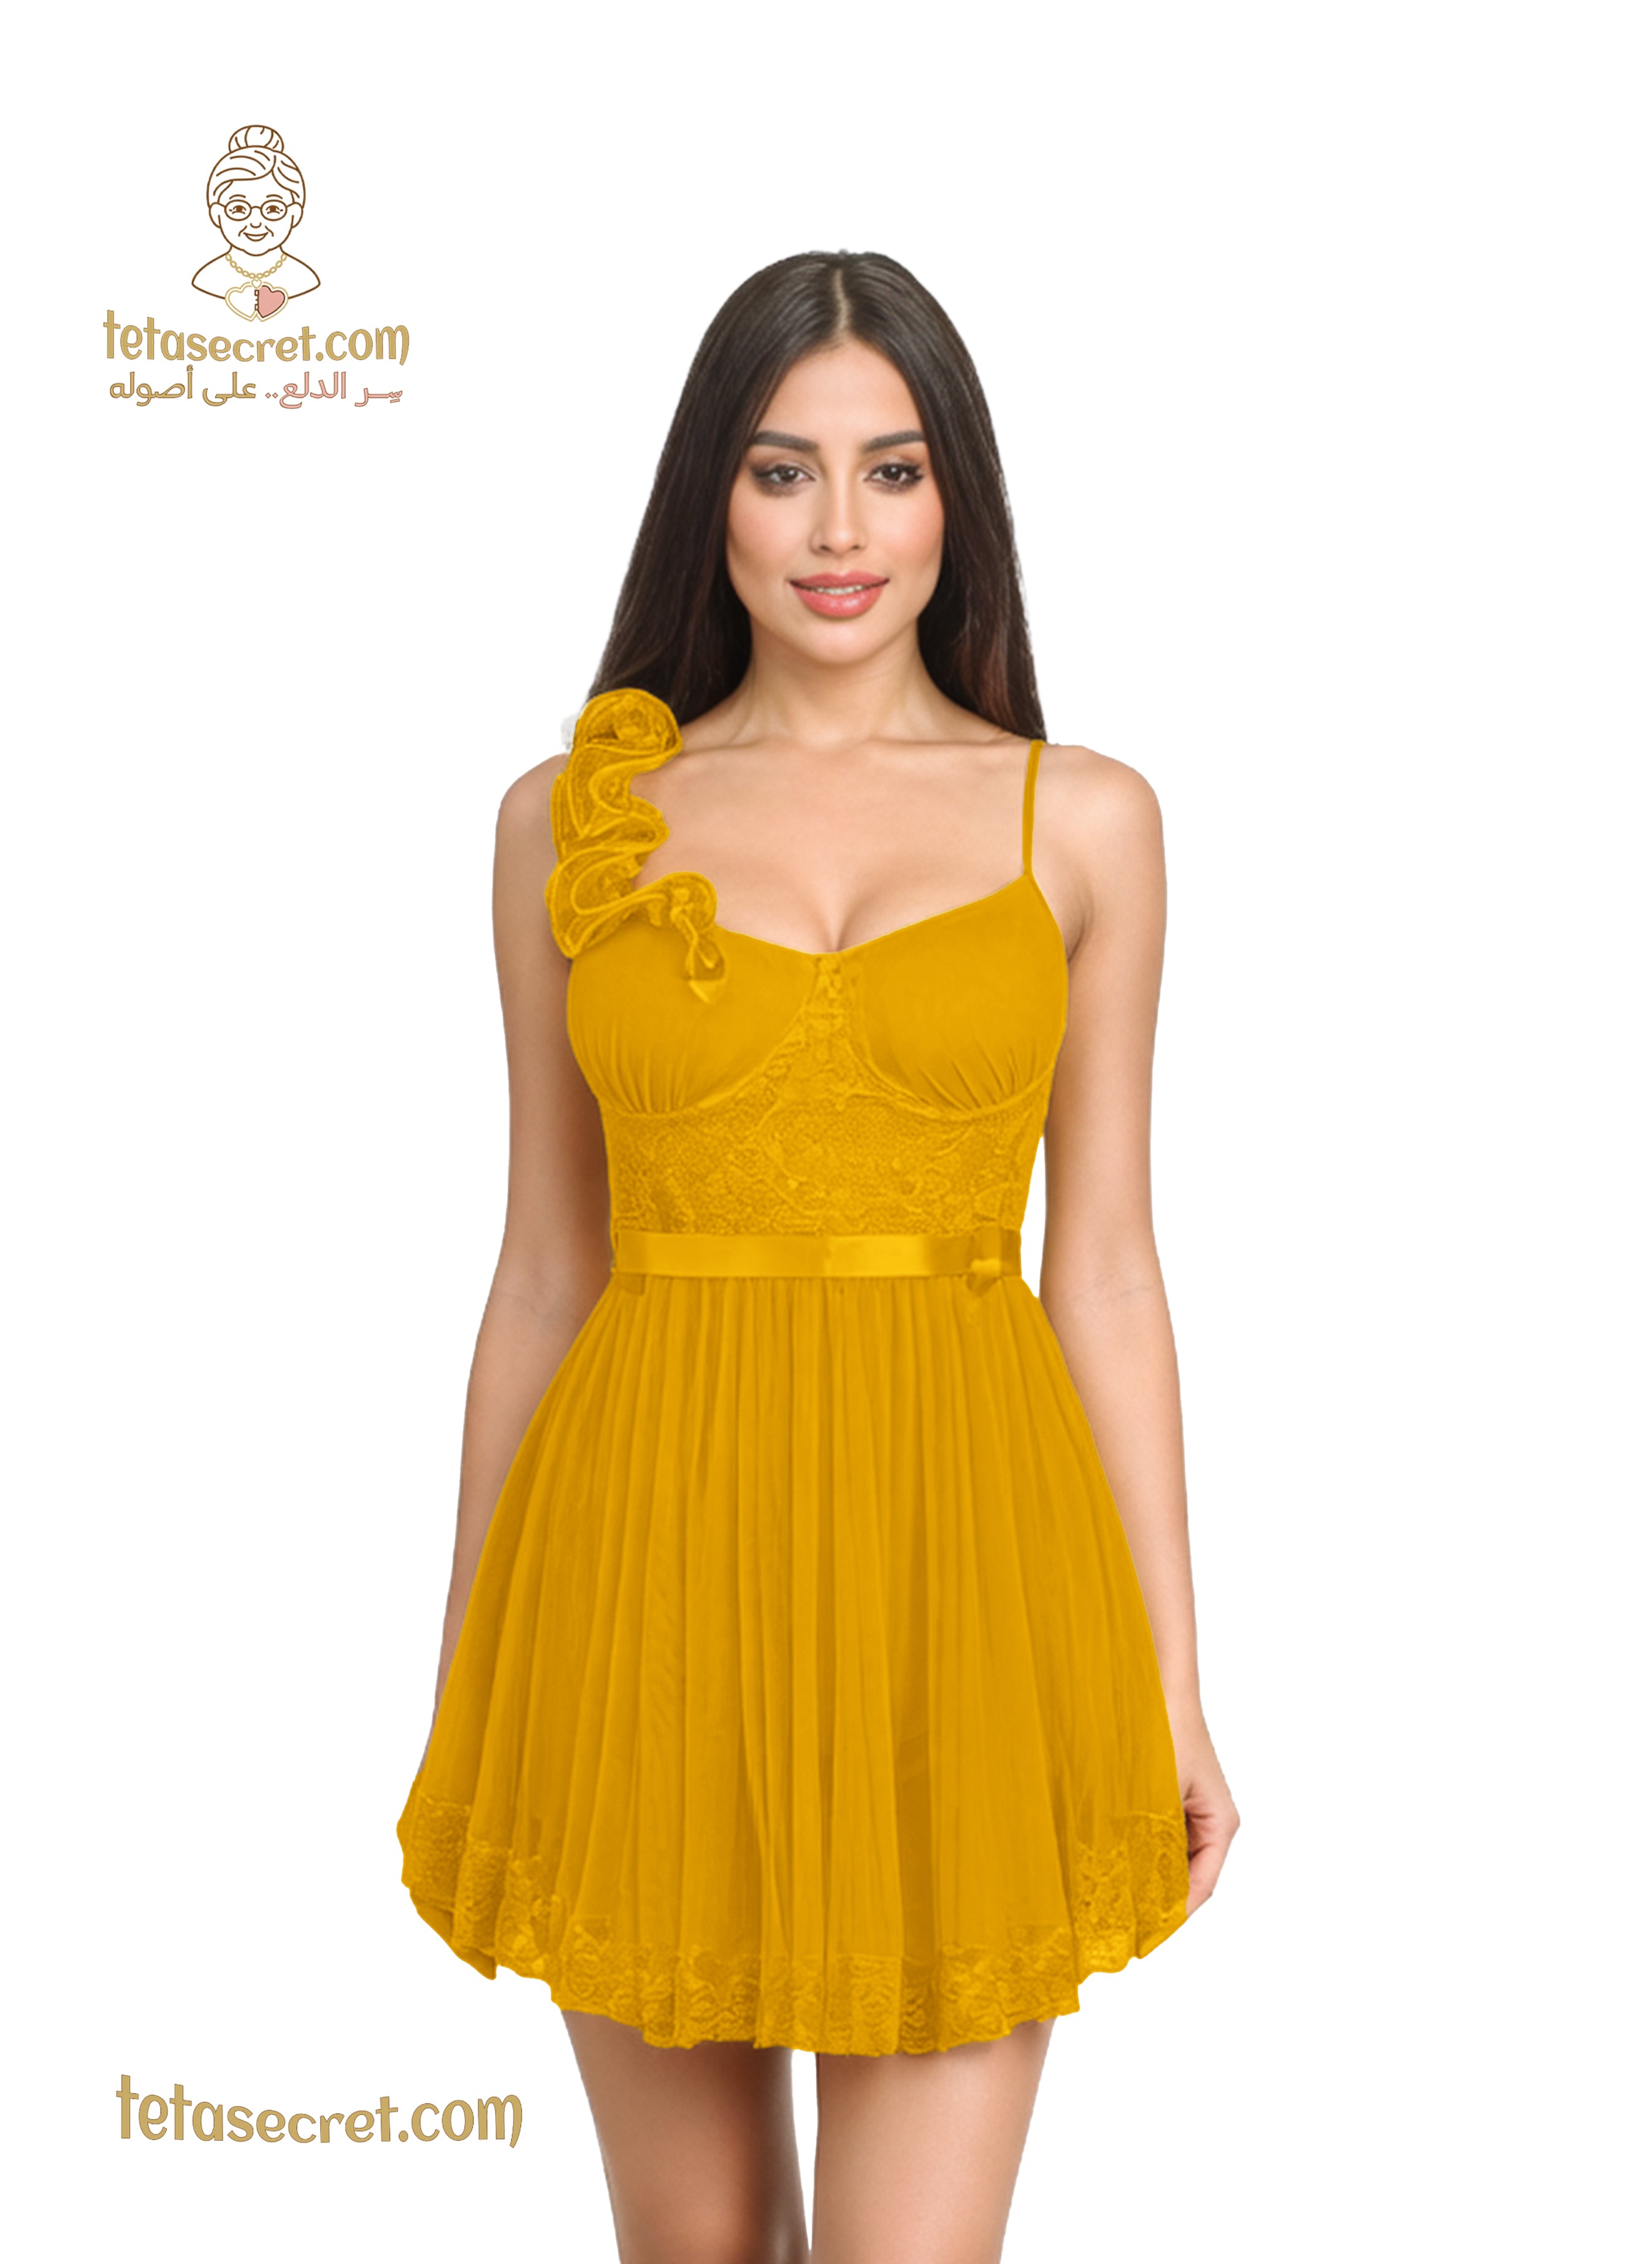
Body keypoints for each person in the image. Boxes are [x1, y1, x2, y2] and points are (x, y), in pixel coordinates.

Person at [397, 248, 1239, 2263]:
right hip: (640, 1569)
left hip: (966, 1575)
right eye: (784, 471)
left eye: (894, 468)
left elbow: (1109, 1273)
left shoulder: (1083, 821)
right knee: (693, 2249)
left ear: (960, 500)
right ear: (714, 495)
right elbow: (542, 1271)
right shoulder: (568, 823)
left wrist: (1176, 1689)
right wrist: (469, 1675)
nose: (841, 529)